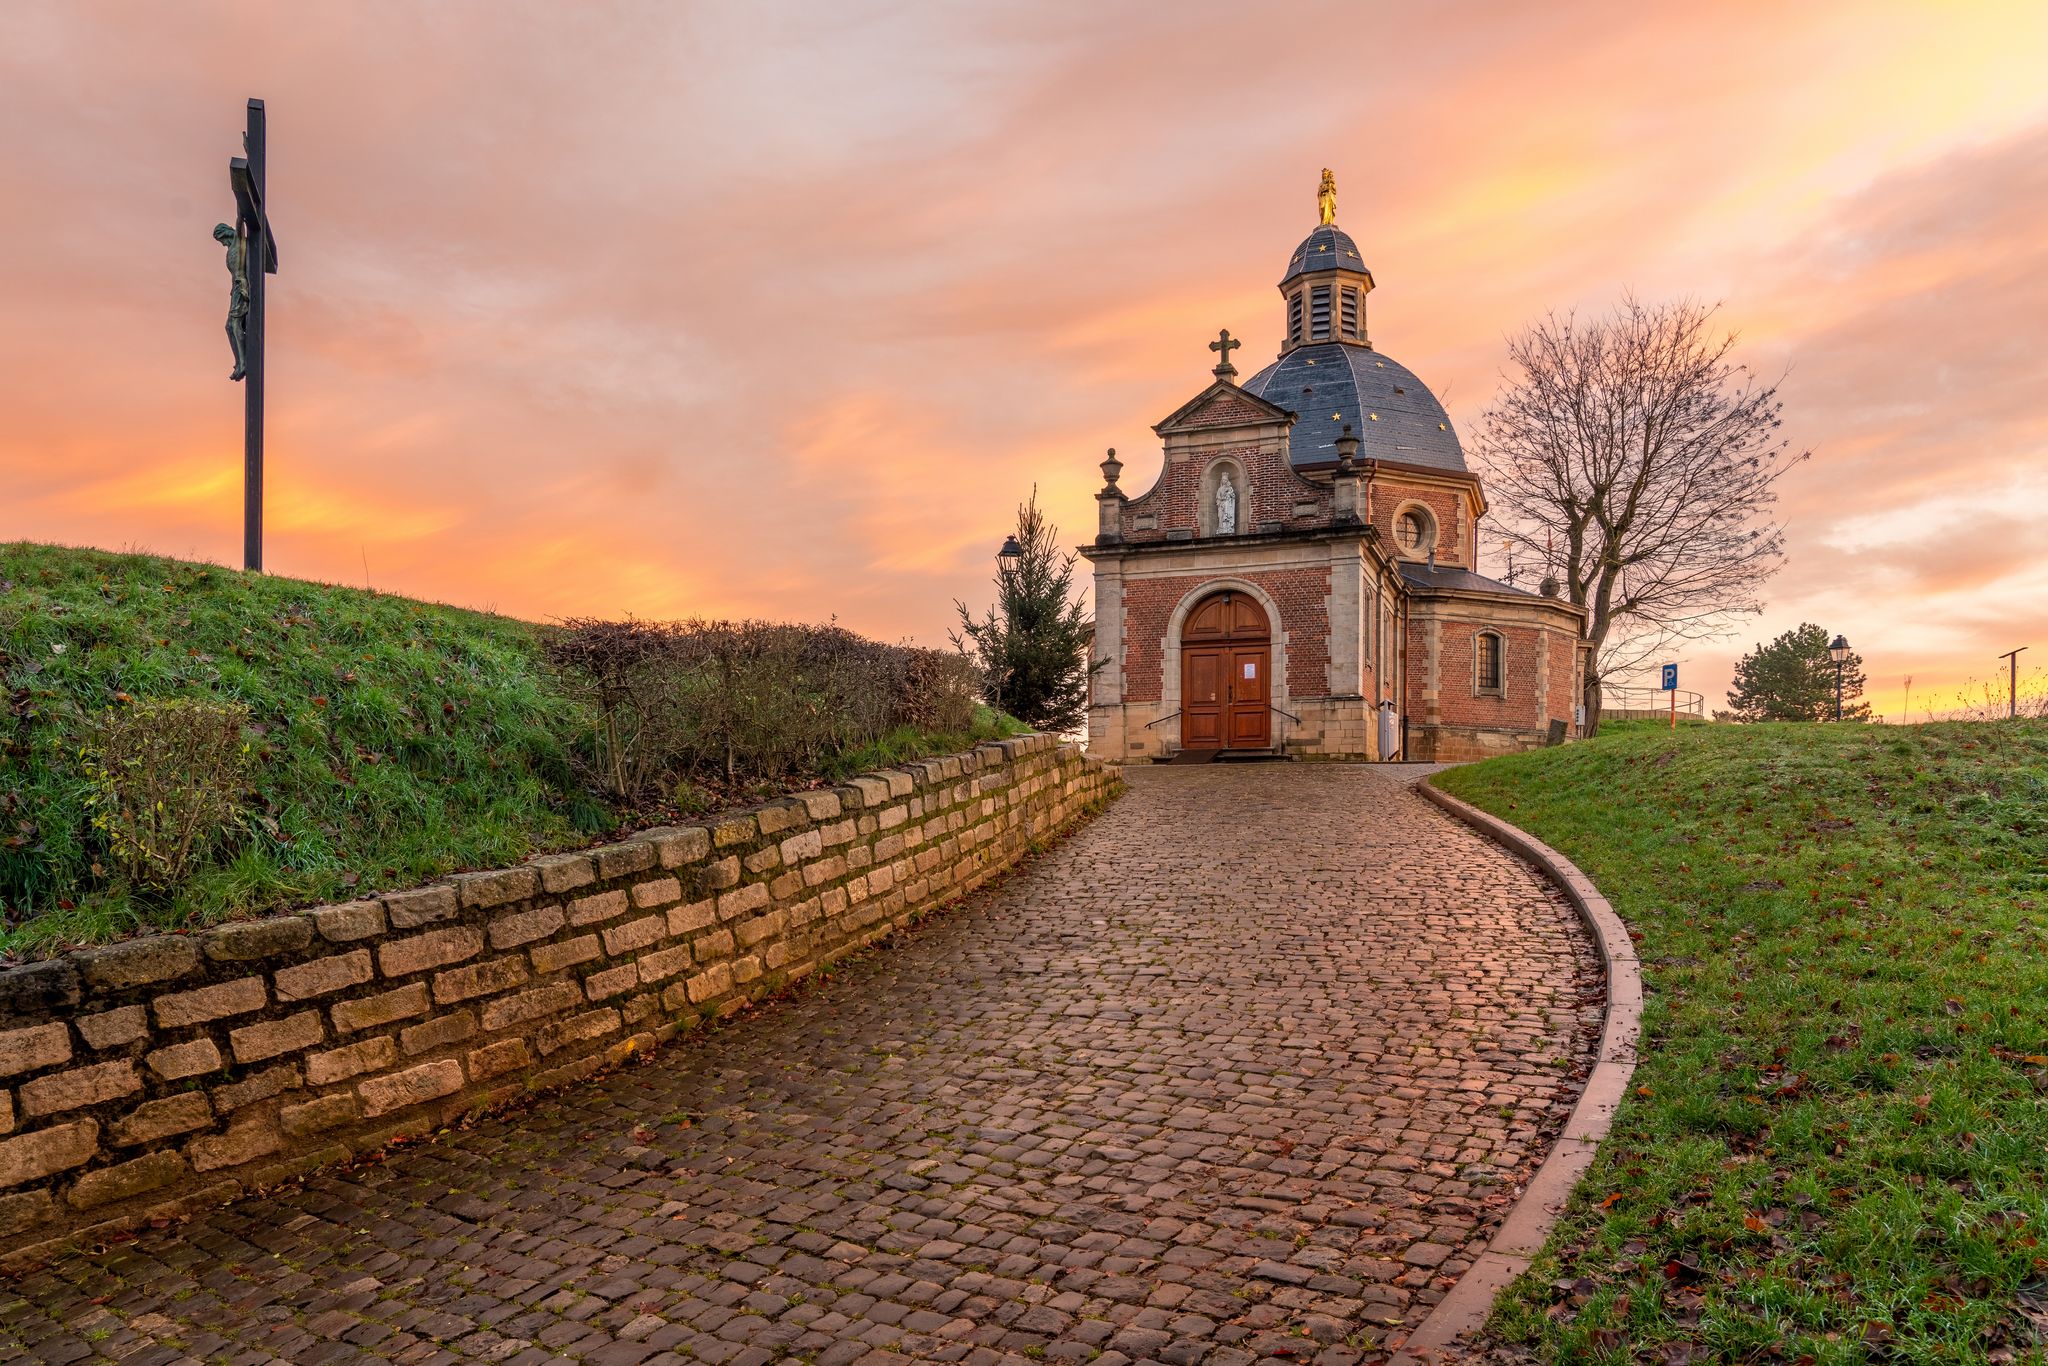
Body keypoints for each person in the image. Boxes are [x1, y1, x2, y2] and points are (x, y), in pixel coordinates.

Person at [215, 222, 250, 381]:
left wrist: (242, 197)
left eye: (221, 238)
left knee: (234, 324)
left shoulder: (238, 239)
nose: (222, 243)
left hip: (241, 286)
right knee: (229, 326)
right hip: (235, 290)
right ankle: (239, 362)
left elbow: (240, 217)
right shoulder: (230, 249)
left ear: (226, 233)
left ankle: (243, 363)